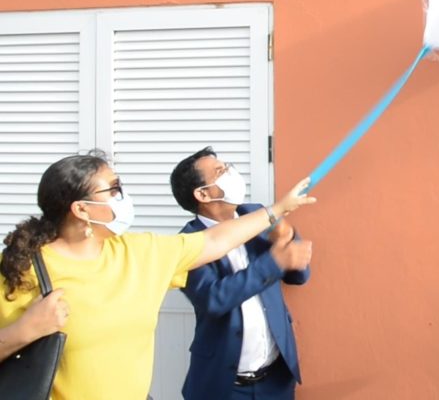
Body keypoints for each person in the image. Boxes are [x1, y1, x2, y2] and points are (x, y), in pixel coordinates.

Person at [0, 151, 315, 400]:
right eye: (114, 189)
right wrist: (24, 330)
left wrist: (276, 211)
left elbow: (215, 241)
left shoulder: (141, 252)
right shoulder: (21, 269)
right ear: (81, 209)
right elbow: (214, 298)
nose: (123, 197)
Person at [171, 147, 312, 400]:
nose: (231, 172)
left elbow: (299, 276)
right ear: (203, 194)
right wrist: (274, 262)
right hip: (223, 387)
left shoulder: (257, 215)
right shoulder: (188, 242)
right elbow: (214, 299)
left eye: (227, 166)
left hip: (275, 381)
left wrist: (288, 236)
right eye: (220, 171)